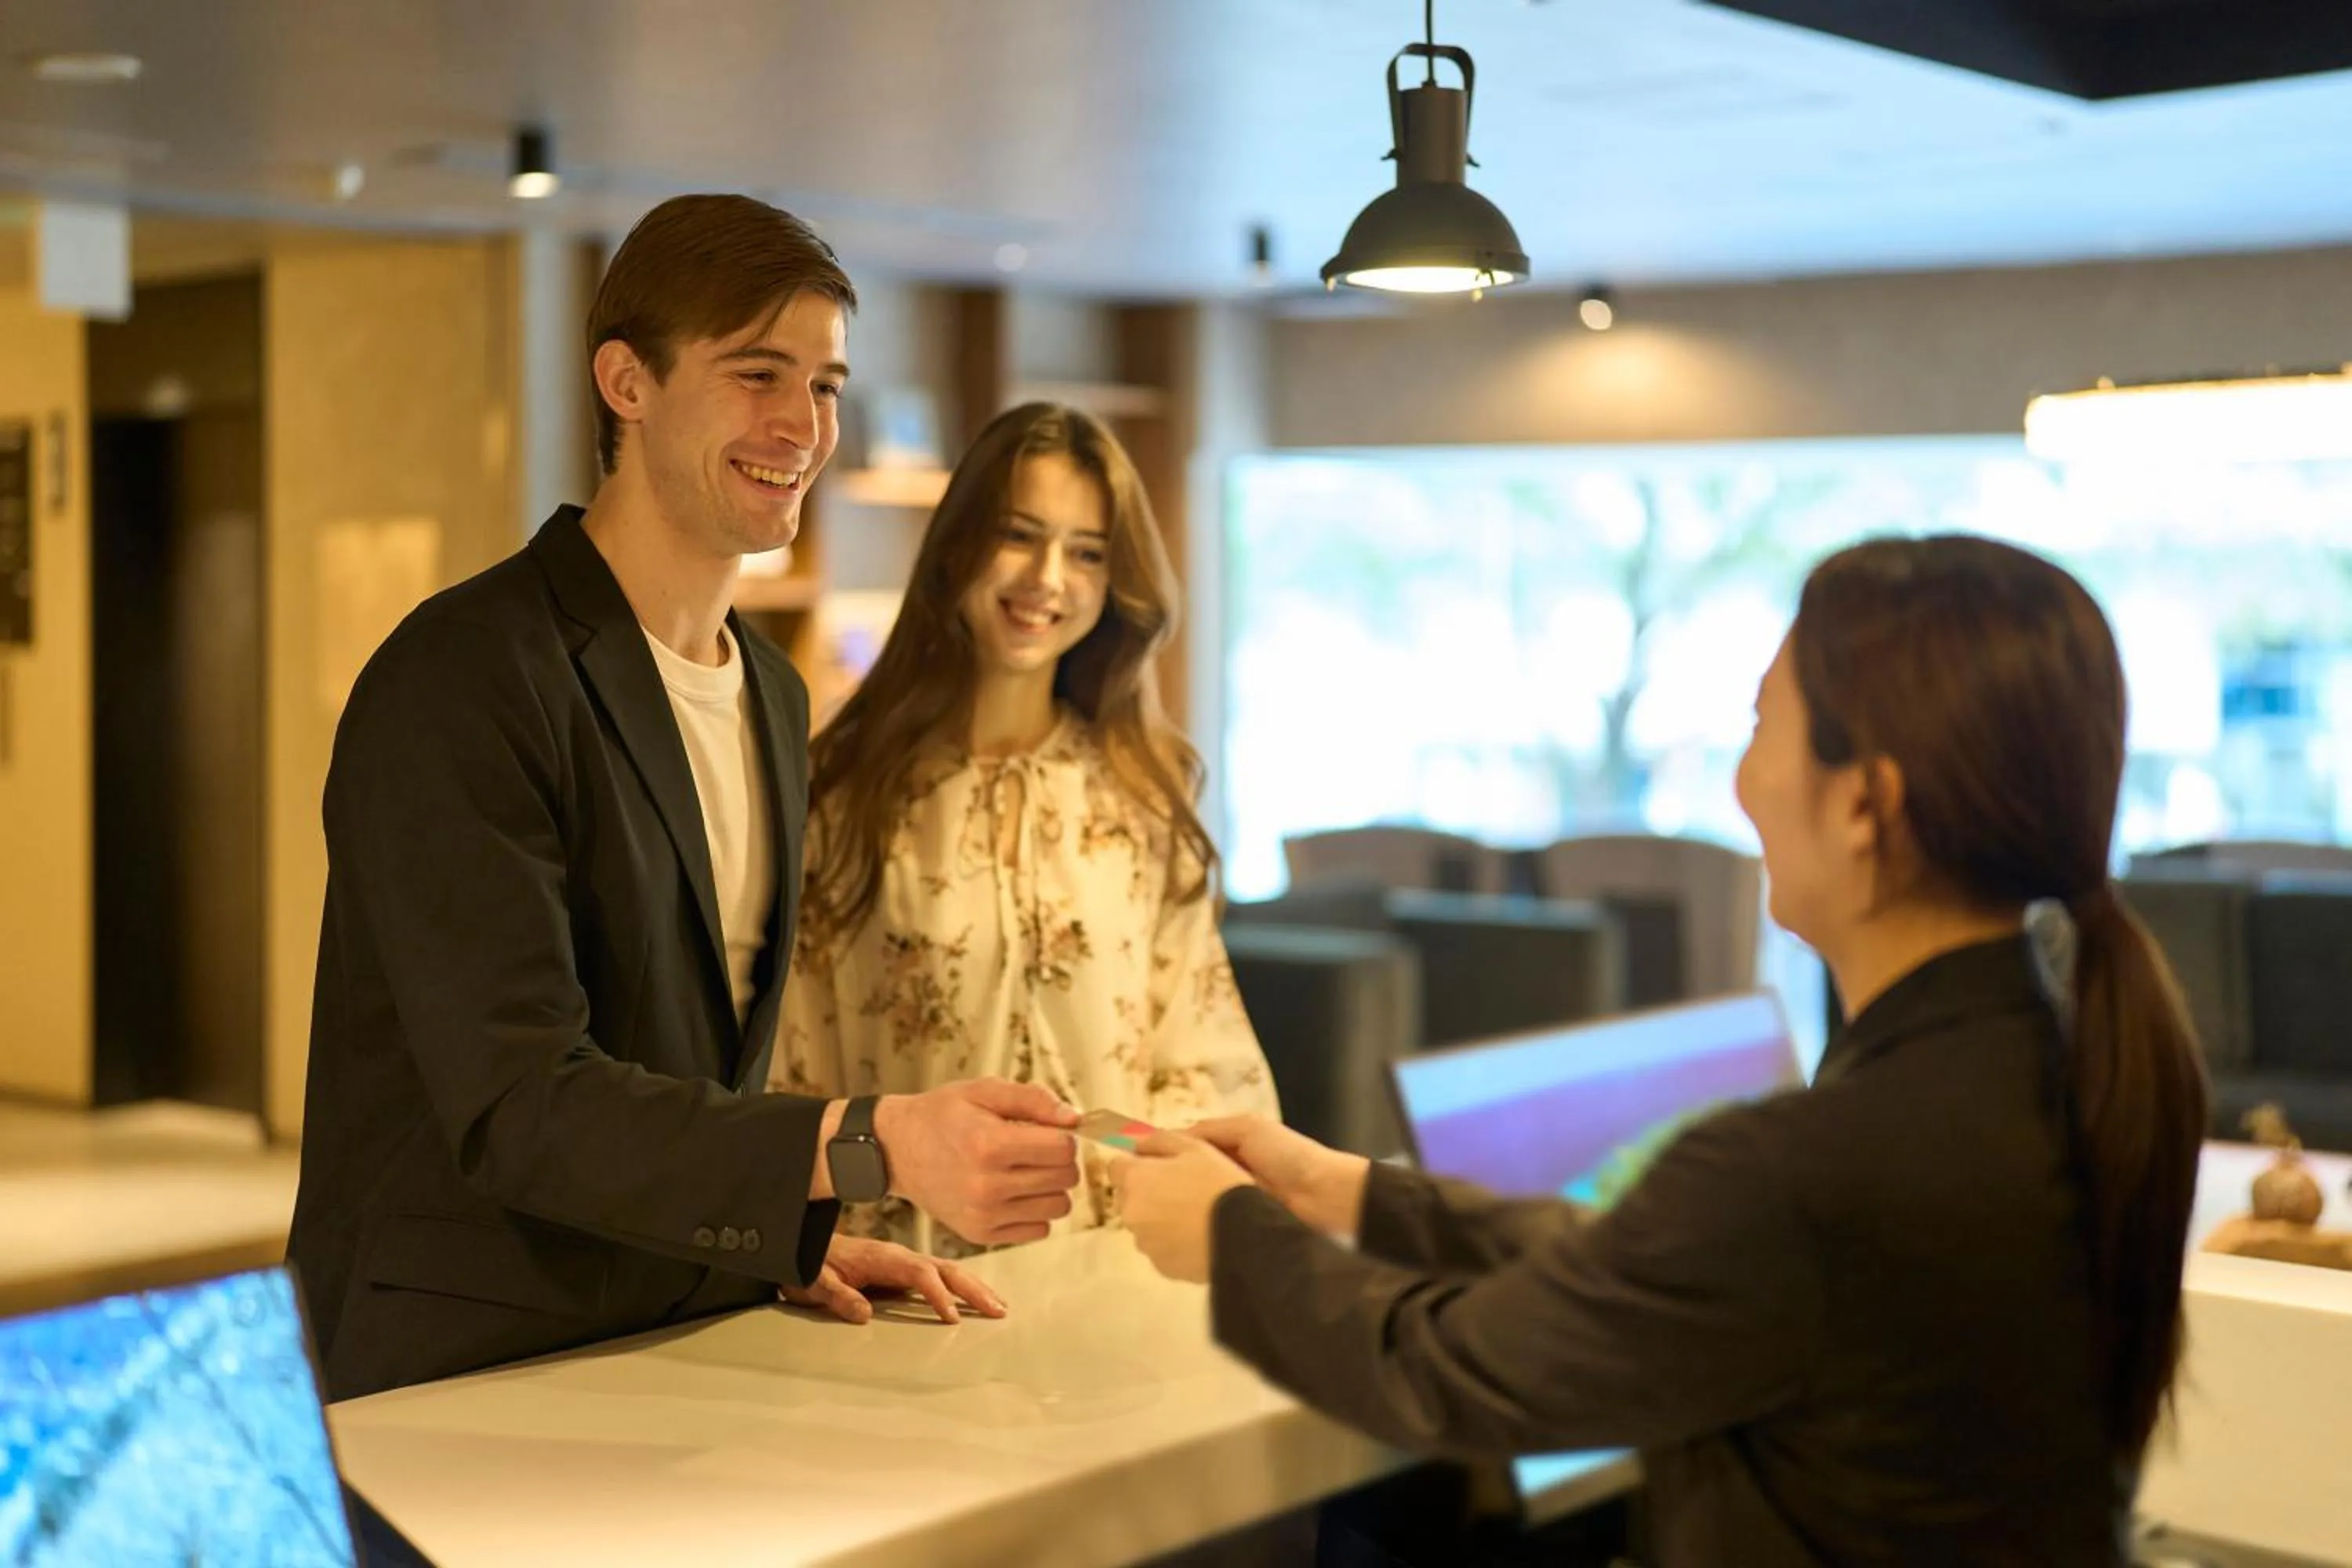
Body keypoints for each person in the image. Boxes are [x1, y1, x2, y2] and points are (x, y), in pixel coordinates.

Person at [1120, 535, 2209, 1566]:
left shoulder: (1815, 1166)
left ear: (1867, 802)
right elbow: (1664, 1262)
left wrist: (1234, 1237)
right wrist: (1353, 1195)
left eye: (1758, 728)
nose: (1742, 784)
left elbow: (1445, 1370)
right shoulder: (2060, 1067)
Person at [287, 196, 1083, 1403]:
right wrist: (871, 1142)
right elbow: (518, 1103)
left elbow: (687, 1072)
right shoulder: (463, 674)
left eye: (824, 384)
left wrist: (777, 1242)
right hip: (461, 1370)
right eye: (758, 373)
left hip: (672, 1340)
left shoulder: (767, 688)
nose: (803, 426)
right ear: (627, 382)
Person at [769, 402, 1278, 1257]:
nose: (1049, 577)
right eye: (1018, 534)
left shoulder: (1139, 797)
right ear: (958, 545)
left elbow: (1194, 1070)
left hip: (1109, 1273)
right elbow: (796, 1061)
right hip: (900, 1281)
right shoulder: (841, 793)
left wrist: (1120, 1175)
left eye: (1087, 552)